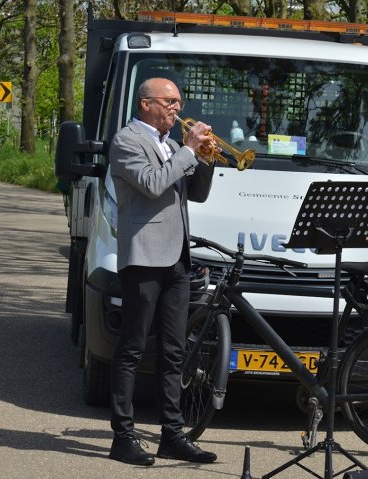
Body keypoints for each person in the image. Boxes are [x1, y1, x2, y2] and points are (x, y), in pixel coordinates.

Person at [108, 77, 217, 466]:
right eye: (169, 101)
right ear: (146, 104)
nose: (177, 107)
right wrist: (188, 151)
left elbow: (198, 193)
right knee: (132, 348)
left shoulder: (171, 145)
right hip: (144, 256)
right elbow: (153, 185)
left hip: (177, 258)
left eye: (178, 101)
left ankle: (172, 434)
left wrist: (205, 157)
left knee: (174, 350)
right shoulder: (126, 141)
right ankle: (123, 436)